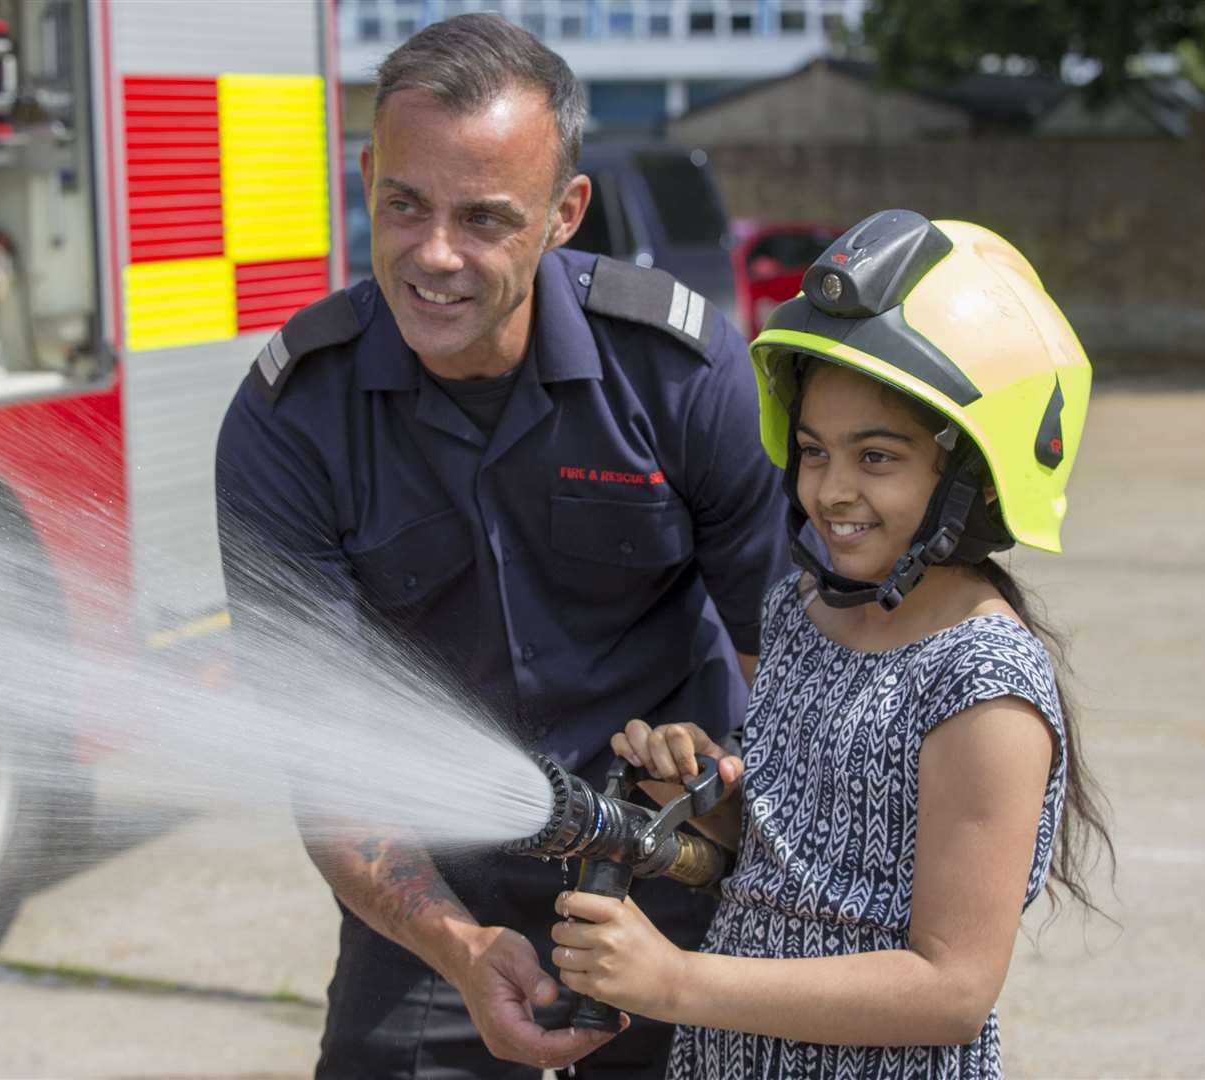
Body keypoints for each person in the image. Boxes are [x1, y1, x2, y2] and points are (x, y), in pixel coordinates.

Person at [213, 13, 793, 1078]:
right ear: (366, 174)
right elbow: (327, 759)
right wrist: (462, 947)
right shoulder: (291, 417)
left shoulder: (681, 373)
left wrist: (719, 790)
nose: (434, 255)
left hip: (685, 873)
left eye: (484, 218)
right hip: (435, 891)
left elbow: (799, 670)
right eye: (403, 205)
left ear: (563, 212)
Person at [546, 210, 1115, 1078]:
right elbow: (799, 863)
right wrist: (700, 793)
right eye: (813, 451)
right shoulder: (799, 610)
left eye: (876, 457)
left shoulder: (982, 684)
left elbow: (951, 988)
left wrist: (676, 981)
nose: (831, 490)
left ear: (971, 475)